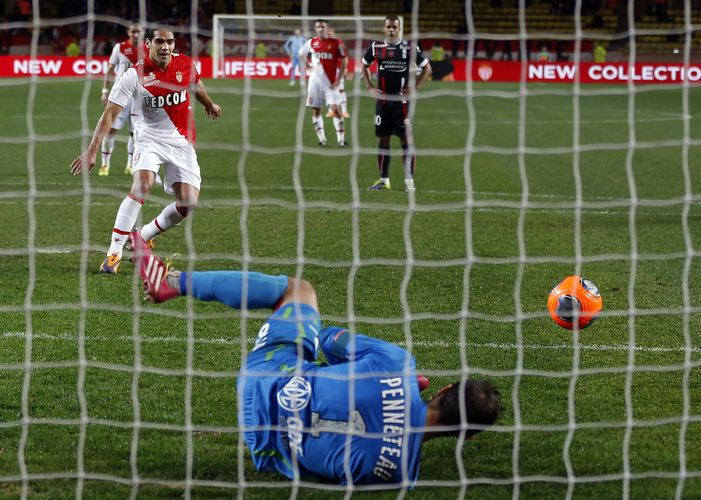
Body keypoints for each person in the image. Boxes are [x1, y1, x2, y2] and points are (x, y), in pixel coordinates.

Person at [129, 232, 503, 485]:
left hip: (264, 379)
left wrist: (366, 373)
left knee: (298, 290)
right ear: (467, 436)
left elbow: (326, 341)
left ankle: (174, 282)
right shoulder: (400, 475)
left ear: (445, 388)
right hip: (266, 446)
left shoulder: (397, 364)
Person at [69, 27, 222, 275]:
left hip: (181, 141)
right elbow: (109, 115)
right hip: (148, 138)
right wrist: (91, 150)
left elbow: (195, 83)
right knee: (142, 185)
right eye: (160, 42)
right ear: (149, 43)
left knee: (188, 203)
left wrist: (209, 104)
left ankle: (144, 235)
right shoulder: (133, 75)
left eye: (170, 42)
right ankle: (113, 253)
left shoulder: (185, 64)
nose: (166, 47)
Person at [362, 15, 432, 193]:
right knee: (383, 139)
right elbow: (363, 65)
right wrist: (369, 86)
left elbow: (427, 68)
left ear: (399, 28)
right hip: (383, 102)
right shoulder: (375, 47)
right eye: (389, 27)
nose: (391, 29)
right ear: (384, 29)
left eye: (394, 27)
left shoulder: (409, 47)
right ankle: (384, 180)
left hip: (401, 103)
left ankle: (409, 183)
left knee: (405, 140)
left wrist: (415, 87)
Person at [98, 23, 142, 177]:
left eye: (138, 32)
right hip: (121, 96)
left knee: (135, 133)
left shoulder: (147, 50)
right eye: (133, 31)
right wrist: (105, 91)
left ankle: (130, 166)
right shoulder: (119, 48)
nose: (136, 34)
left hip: (139, 97)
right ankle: (105, 165)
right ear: (128, 32)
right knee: (110, 130)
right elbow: (110, 70)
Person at [299, 19, 348, 147]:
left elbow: (344, 61)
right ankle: (322, 139)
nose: (320, 28)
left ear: (327, 28)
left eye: (322, 26)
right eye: (318, 27)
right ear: (316, 29)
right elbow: (301, 54)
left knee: (335, 109)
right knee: (316, 110)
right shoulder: (312, 42)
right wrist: (308, 67)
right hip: (314, 82)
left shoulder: (337, 43)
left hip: (331, 83)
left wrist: (338, 80)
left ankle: (341, 140)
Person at [325, 27, 350, 118]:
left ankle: (344, 111)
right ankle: (330, 111)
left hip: (338, 70)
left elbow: (345, 57)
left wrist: (345, 69)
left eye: (330, 32)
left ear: (334, 33)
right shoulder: (323, 43)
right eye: (327, 32)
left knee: (341, 90)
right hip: (327, 71)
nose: (329, 33)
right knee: (328, 90)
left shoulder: (339, 43)